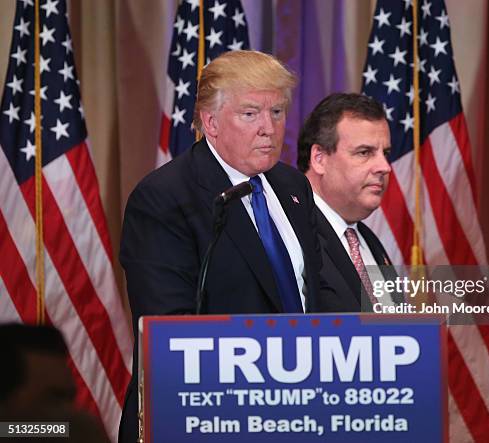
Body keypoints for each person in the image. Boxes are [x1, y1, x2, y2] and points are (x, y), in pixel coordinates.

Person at [119, 50, 333, 442]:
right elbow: (169, 327)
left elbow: (314, 293)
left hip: (295, 415)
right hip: (204, 417)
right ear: (211, 122)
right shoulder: (165, 198)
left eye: (278, 112)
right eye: (250, 113)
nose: (268, 128)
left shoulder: (292, 186)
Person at [297, 93, 398, 312]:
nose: (385, 166)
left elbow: (395, 331)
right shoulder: (292, 233)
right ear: (319, 159)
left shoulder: (369, 241)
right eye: (364, 152)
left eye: (386, 153)